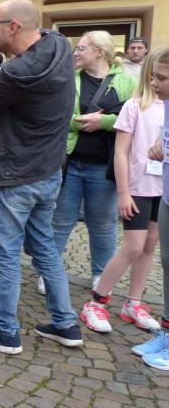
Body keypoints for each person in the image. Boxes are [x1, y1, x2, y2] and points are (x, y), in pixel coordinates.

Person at [0, 0, 83, 354]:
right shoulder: (59, 47)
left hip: (15, 176)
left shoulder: (15, 72)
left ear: (13, 27)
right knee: (45, 249)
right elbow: (34, 28)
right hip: (48, 172)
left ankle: (5, 332)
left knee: (5, 256)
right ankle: (65, 323)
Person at [43, 31, 138, 294]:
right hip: (69, 163)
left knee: (103, 224)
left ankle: (101, 275)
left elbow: (134, 117)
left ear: (99, 51)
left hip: (104, 167)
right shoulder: (68, 79)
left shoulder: (126, 82)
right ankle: (49, 273)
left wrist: (104, 121)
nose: (75, 52)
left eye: (81, 48)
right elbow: (55, 114)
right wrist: (79, 122)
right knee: (59, 221)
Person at [79, 51, 162, 333]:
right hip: (138, 186)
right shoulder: (135, 106)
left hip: (161, 190)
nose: (160, 82)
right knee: (133, 246)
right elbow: (121, 152)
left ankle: (133, 302)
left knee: (149, 245)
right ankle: (96, 302)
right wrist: (124, 192)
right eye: (158, 76)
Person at [135, 47, 169, 369]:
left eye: (161, 78)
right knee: (167, 262)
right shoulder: (166, 106)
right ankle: (167, 334)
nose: (154, 83)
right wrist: (160, 147)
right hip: (166, 195)